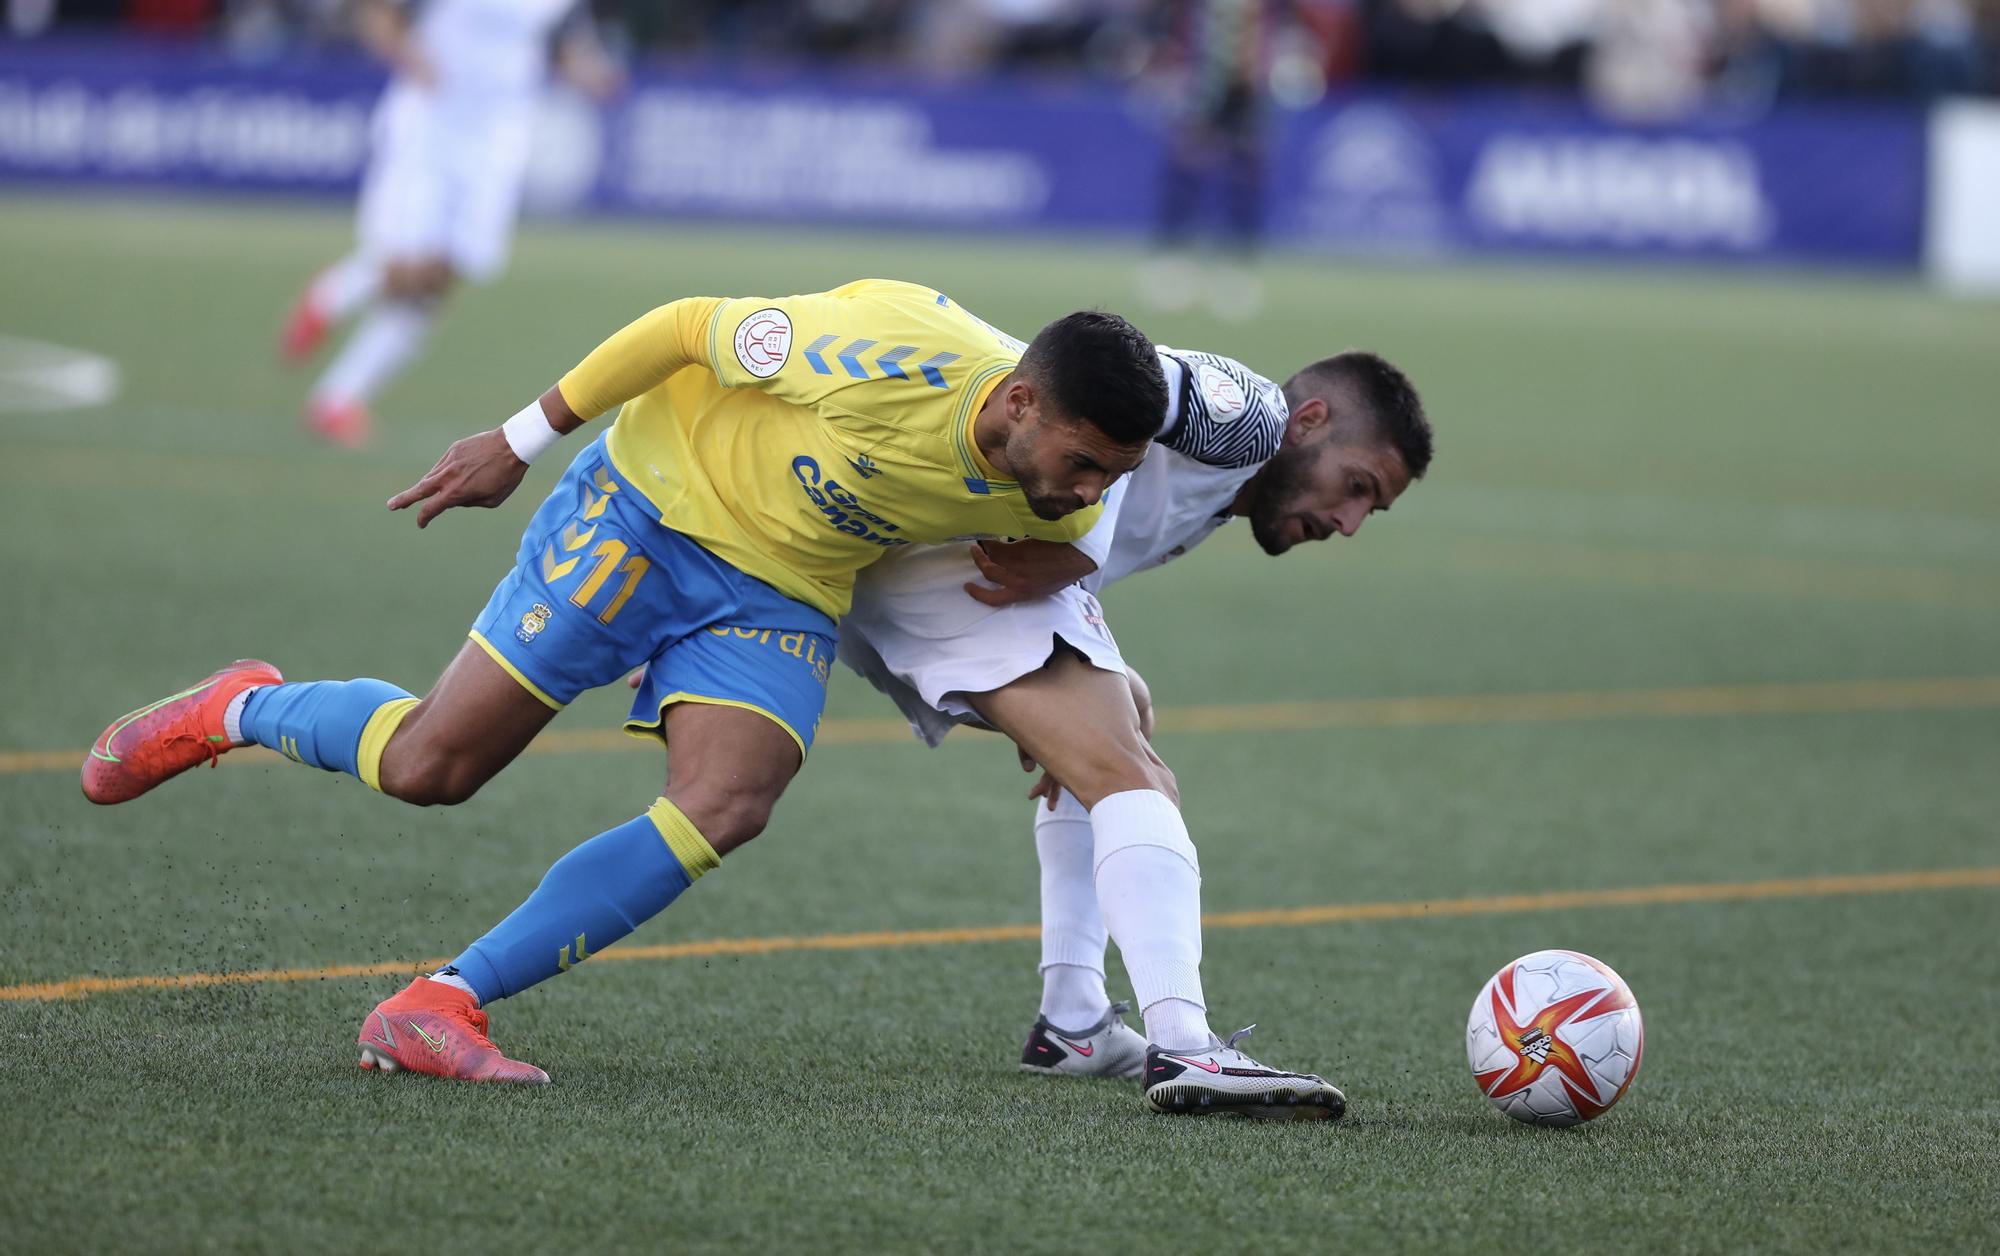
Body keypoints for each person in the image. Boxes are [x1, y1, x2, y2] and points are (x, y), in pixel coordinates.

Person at [82, 279, 1166, 1084]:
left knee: (731, 799)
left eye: (1111, 475)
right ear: (1018, 400)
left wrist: (1039, 698)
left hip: (779, 587)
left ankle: (438, 1003)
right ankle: (238, 705)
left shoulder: (1063, 497)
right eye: (1083, 463)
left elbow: (993, 578)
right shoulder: (885, 344)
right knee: (429, 767)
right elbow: (685, 324)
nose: (1089, 492)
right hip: (646, 505)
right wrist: (519, 438)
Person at [838, 345, 1433, 1118]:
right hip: (960, 568)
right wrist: (1072, 553)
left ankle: (1075, 1018)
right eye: (1356, 487)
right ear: (1309, 422)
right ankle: (1185, 1043)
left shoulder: (1221, 494)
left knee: (1121, 730)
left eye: (1370, 510)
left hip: (923, 569)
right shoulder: (1252, 417)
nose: (1349, 522)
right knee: (1133, 776)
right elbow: (1122, 374)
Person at [280, 0, 620, 446]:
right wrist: (410, 59)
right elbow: (378, 12)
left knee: (442, 276)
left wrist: (590, 74)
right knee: (407, 266)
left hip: (497, 137)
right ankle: (332, 299)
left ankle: (336, 397)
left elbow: (563, 45)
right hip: (432, 125)